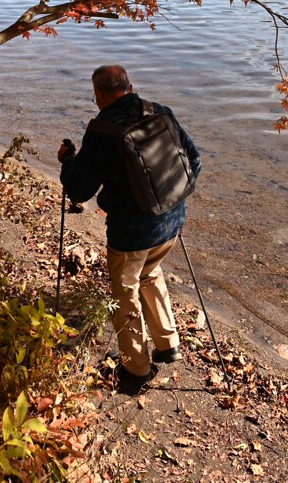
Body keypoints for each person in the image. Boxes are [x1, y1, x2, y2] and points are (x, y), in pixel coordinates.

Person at [57, 64, 201, 395]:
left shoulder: (102, 131)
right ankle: (168, 343)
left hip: (131, 235)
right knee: (150, 273)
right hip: (173, 220)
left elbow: (79, 190)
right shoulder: (159, 112)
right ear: (130, 86)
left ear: (98, 96)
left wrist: (67, 162)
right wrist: (172, 202)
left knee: (125, 294)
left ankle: (135, 369)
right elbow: (194, 162)